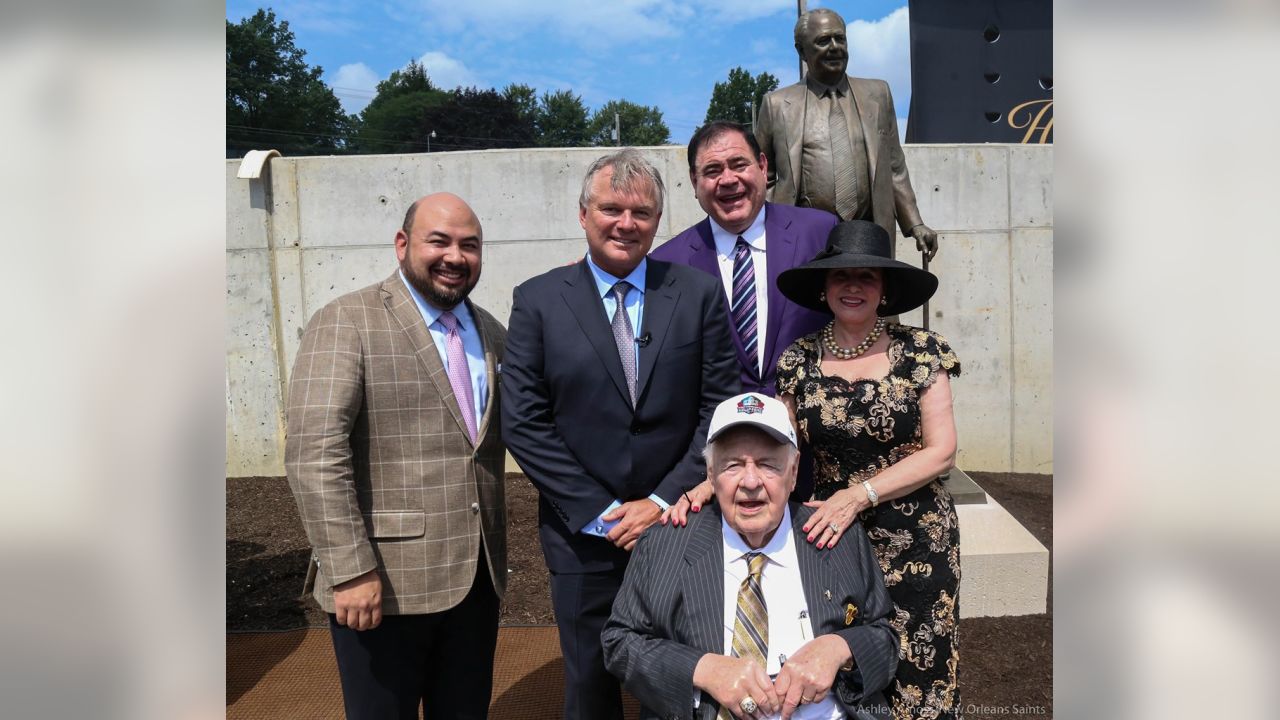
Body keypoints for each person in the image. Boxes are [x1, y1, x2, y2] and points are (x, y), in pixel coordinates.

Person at [501, 149, 739, 720]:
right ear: (583, 215)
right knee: (590, 682)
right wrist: (603, 511)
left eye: (642, 212)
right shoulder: (537, 300)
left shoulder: (698, 294)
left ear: (659, 221)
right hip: (583, 535)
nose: (625, 224)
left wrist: (662, 501)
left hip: (681, 524)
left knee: (686, 676)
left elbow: (719, 408)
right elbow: (525, 422)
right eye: (611, 208)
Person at [284, 193, 507, 720]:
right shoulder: (346, 321)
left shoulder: (493, 332)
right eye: (440, 241)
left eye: (470, 245)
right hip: (383, 586)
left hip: (477, 581)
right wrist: (349, 570)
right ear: (403, 245)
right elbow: (315, 455)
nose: (455, 256)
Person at [602, 392, 898, 720]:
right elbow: (619, 642)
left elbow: (883, 636)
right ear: (711, 475)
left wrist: (841, 649)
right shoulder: (665, 544)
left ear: (794, 470)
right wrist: (703, 669)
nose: (751, 481)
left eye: (768, 464)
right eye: (733, 465)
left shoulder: (835, 536)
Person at [774, 220, 962, 720]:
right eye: (841, 277)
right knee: (838, 665)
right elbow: (781, 449)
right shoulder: (797, 359)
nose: (853, 287)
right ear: (824, 287)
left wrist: (860, 494)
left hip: (918, 538)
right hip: (833, 540)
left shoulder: (923, 351)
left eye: (867, 278)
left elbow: (941, 451)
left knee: (920, 671)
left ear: (885, 291)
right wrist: (720, 483)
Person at [651, 120, 838, 398]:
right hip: (719, 433)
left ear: (763, 167)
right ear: (694, 181)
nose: (728, 180)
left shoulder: (821, 233)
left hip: (813, 424)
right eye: (712, 171)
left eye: (739, 165)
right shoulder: (666, 265)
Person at [755, 8, 939, 261]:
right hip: (803, 234)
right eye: (823, 41)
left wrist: (915, 223)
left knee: (867, 298)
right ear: (801, 51)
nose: (834, 47)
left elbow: (894, 169)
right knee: (803, 300)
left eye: (839, 39)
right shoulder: (777, 104)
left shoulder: (878, 94)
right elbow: (762, 177)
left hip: (867, 232)